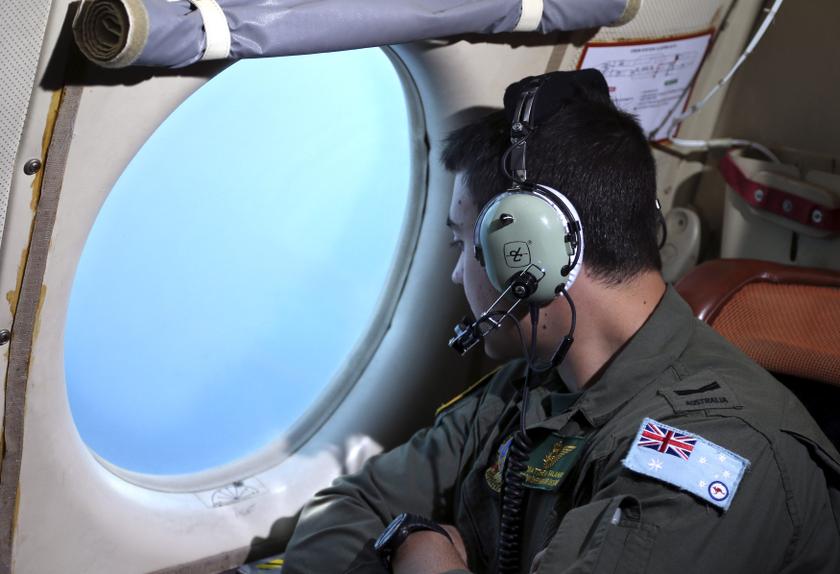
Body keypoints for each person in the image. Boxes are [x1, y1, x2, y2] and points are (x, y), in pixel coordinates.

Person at [282, 70, 840, 573]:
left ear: (527, 253)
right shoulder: (534, 387)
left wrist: (426, 562)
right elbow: (343, 512)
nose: (456, 275)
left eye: (463, 242)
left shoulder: (707, 458)